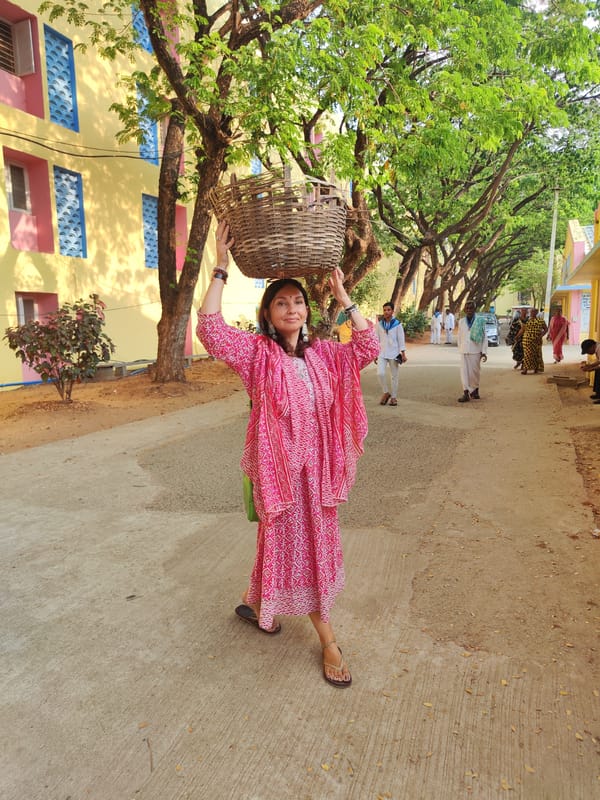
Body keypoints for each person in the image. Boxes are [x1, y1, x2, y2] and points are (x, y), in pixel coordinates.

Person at [196, 220, 379, 688]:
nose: (292, 308)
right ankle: (329, 641)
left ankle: (262, 605)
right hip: (280, 477)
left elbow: (369, 345)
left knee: (309, 549)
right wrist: (220, 268)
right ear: (268, 311)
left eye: (298, 301)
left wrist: (345, 301)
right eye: (282, 302)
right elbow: (210, 330)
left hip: (316, 478)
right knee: (282, 546)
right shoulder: (257, 354)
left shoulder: (323, 355)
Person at [376, 302, 407, 407]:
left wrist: (403, 353)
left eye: (388, 310)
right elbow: (376, 339)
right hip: (382, 353)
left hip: (394, 353)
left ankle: (393, 397)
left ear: (392, 311)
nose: (386, 312)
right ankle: (386, 392)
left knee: (394, 376)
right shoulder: (379, 324)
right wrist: (375, 353)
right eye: (384, 310)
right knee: (380, 373)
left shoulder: (397, 324)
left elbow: (401, 339)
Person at [456, 300, 487, 402]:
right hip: (464, 350)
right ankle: (465, 392)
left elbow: (484, 337)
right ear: (465, 309)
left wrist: (484, 352)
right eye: (467, 308)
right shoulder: (461, 321)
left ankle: (475, 390)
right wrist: (460, 348)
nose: (469, 310)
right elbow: (459, 336)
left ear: (475, 309)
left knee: (474, 373)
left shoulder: (480, 321)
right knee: (464, 372)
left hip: (475, 350)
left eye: (471, 308)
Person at [517, 308, 548, 374]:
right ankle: (525, 369)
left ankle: (536, 368)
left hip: (537, 340)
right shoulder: (526, 321)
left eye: (534, 312)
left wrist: (541, 335)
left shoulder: (540, 321)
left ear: (536, 313)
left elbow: (546, 329)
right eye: (531, 312)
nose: (532, 313)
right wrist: (517, 336)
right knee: (527, 354)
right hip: (527, 340)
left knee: (537, 354)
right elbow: (522, 329)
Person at [580, 339, 600, 403]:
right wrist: (589, 366)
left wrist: (590, 369)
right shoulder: (597, 347)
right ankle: (598, 394)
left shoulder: (599, 348)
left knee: (598, 370)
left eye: (587, 351)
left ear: (592, 346)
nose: (588, 353)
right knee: (598, 372)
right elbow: (599, 361)